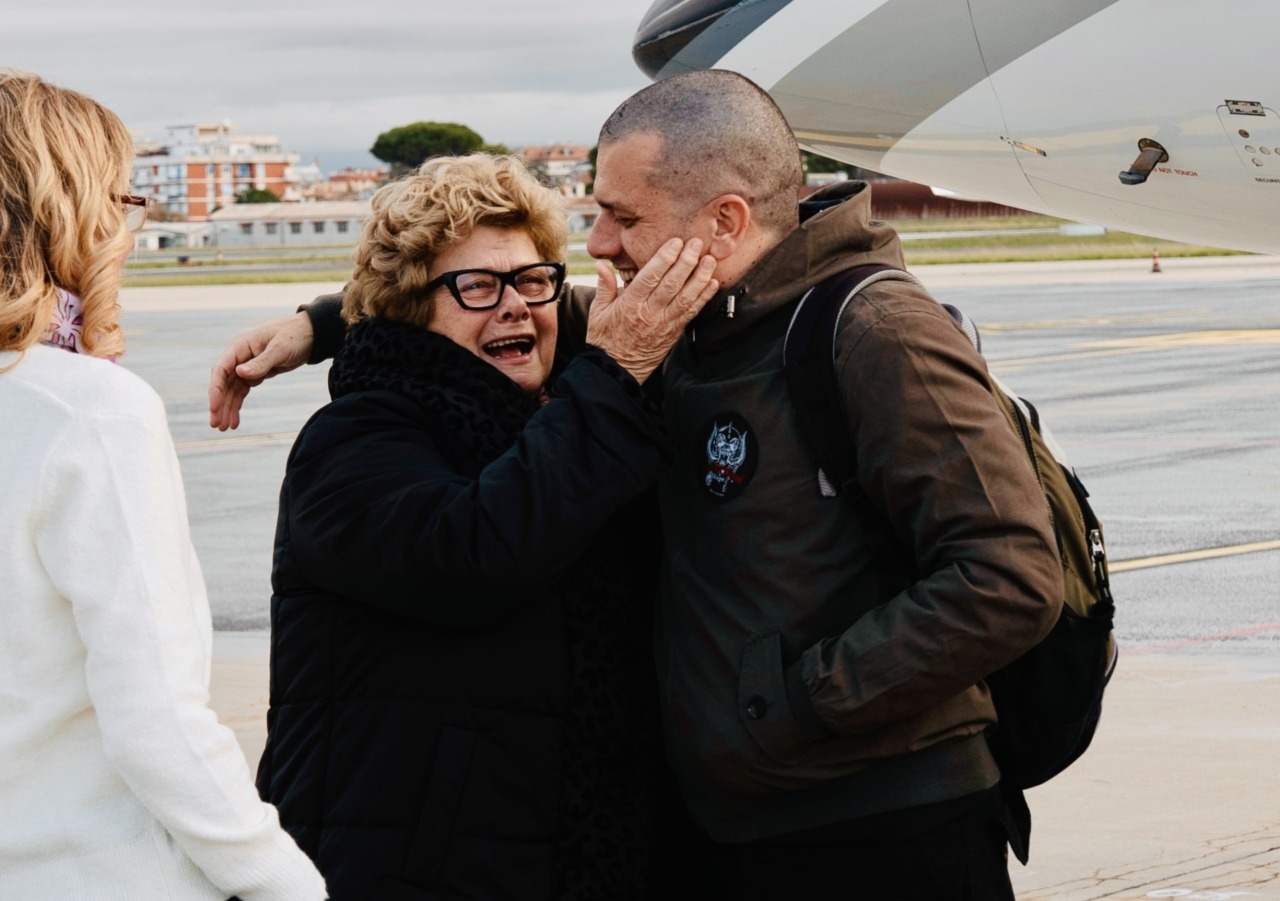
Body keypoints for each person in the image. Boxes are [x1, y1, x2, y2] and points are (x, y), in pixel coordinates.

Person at [209, 71, 1063, 899]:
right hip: (730, 828)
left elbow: (1011, 573)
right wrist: (321, 324)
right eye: (597, 220)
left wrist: (794, 702)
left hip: (880, 828)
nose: (602, 246)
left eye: (621, 217)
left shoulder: (872, 329)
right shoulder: (685, 320)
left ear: (724, 223)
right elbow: (488, 305)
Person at [254, 152, 718, 900]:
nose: (515, 307)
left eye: (533, 279)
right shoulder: (352, 440)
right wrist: (614, 369)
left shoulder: (550, 418)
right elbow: (478, 553)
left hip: (569, 854)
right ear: (411, 306)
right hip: (408, 865)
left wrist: (319, 321)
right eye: (476, 286)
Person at [0, 71, 327, 900]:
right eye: (123, 200)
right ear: (71, 211)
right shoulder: (88, 411)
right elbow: (158, 722)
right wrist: (285, 880)